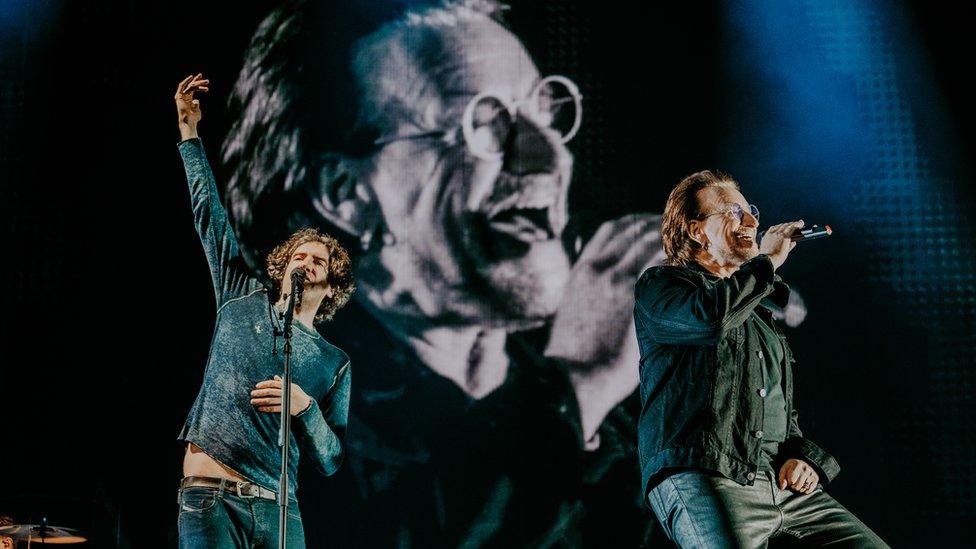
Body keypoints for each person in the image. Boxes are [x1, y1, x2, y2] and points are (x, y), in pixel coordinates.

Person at [220, 1, 663, 545]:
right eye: (484, 123)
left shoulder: (611, 413)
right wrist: (580, 384)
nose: (550, 158)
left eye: (545, 114)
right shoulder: (278, 403)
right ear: (348, 195)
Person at [634, 170, 887, 547]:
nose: (752, 221)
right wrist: (766, 261)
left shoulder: (757, 313)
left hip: (779, 482)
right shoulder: (663, 287)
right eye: (733, 213)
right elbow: (710, 320)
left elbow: (776, 408)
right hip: (707, 474)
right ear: (696, 231)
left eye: (750, 210)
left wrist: (802, 456)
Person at [173, 73, 355, 548]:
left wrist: (305, 407)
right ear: (283, 266)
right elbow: (207, 214)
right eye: (299, 254)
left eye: (319, 259)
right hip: (209, 498)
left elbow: (333, 458)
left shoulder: (333, 361)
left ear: (332, 284)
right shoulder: (240, 295)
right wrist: (189, 134)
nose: (306, 260)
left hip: (278, 508)